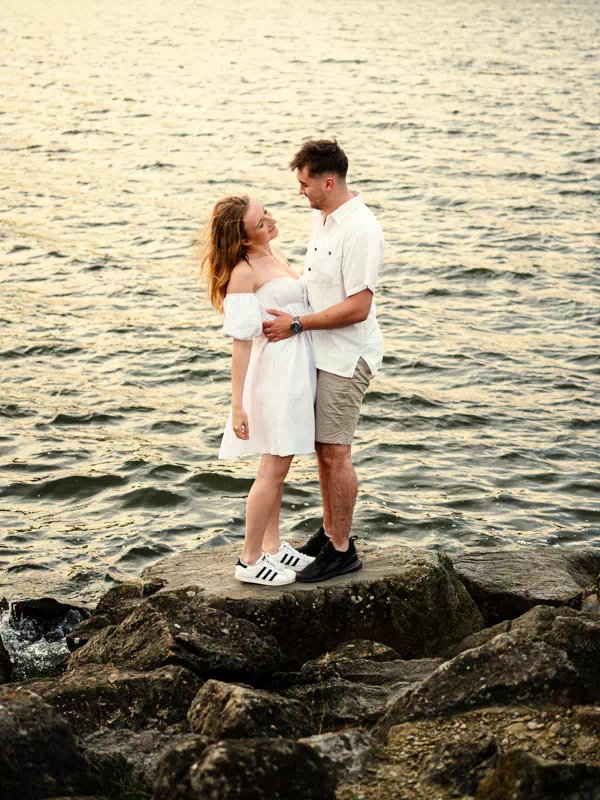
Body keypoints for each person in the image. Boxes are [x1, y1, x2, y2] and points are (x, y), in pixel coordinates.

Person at [263, 139, 385, 583]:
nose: (300, 191)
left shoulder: (361, 231)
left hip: (346, 356)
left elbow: (358, 307)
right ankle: (331, 530)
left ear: (328, 182)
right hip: (320, 349)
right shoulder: (323, 217)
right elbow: (315, 282)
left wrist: (297, 324)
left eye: (304, 183)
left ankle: (342, 550)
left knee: (336, 452)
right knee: (322, 449)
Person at [201, 195, 317, 586]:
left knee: (278, 468)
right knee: (272, 470)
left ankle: (272, 546)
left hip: (295, 370)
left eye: (265, 211)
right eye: (260, 221)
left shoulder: (276, 254)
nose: (270, 219)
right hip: (274, 376)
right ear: (245, 239)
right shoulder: (244, 272)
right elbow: (241, 343)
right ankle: (249, 560)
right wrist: (237, 406)